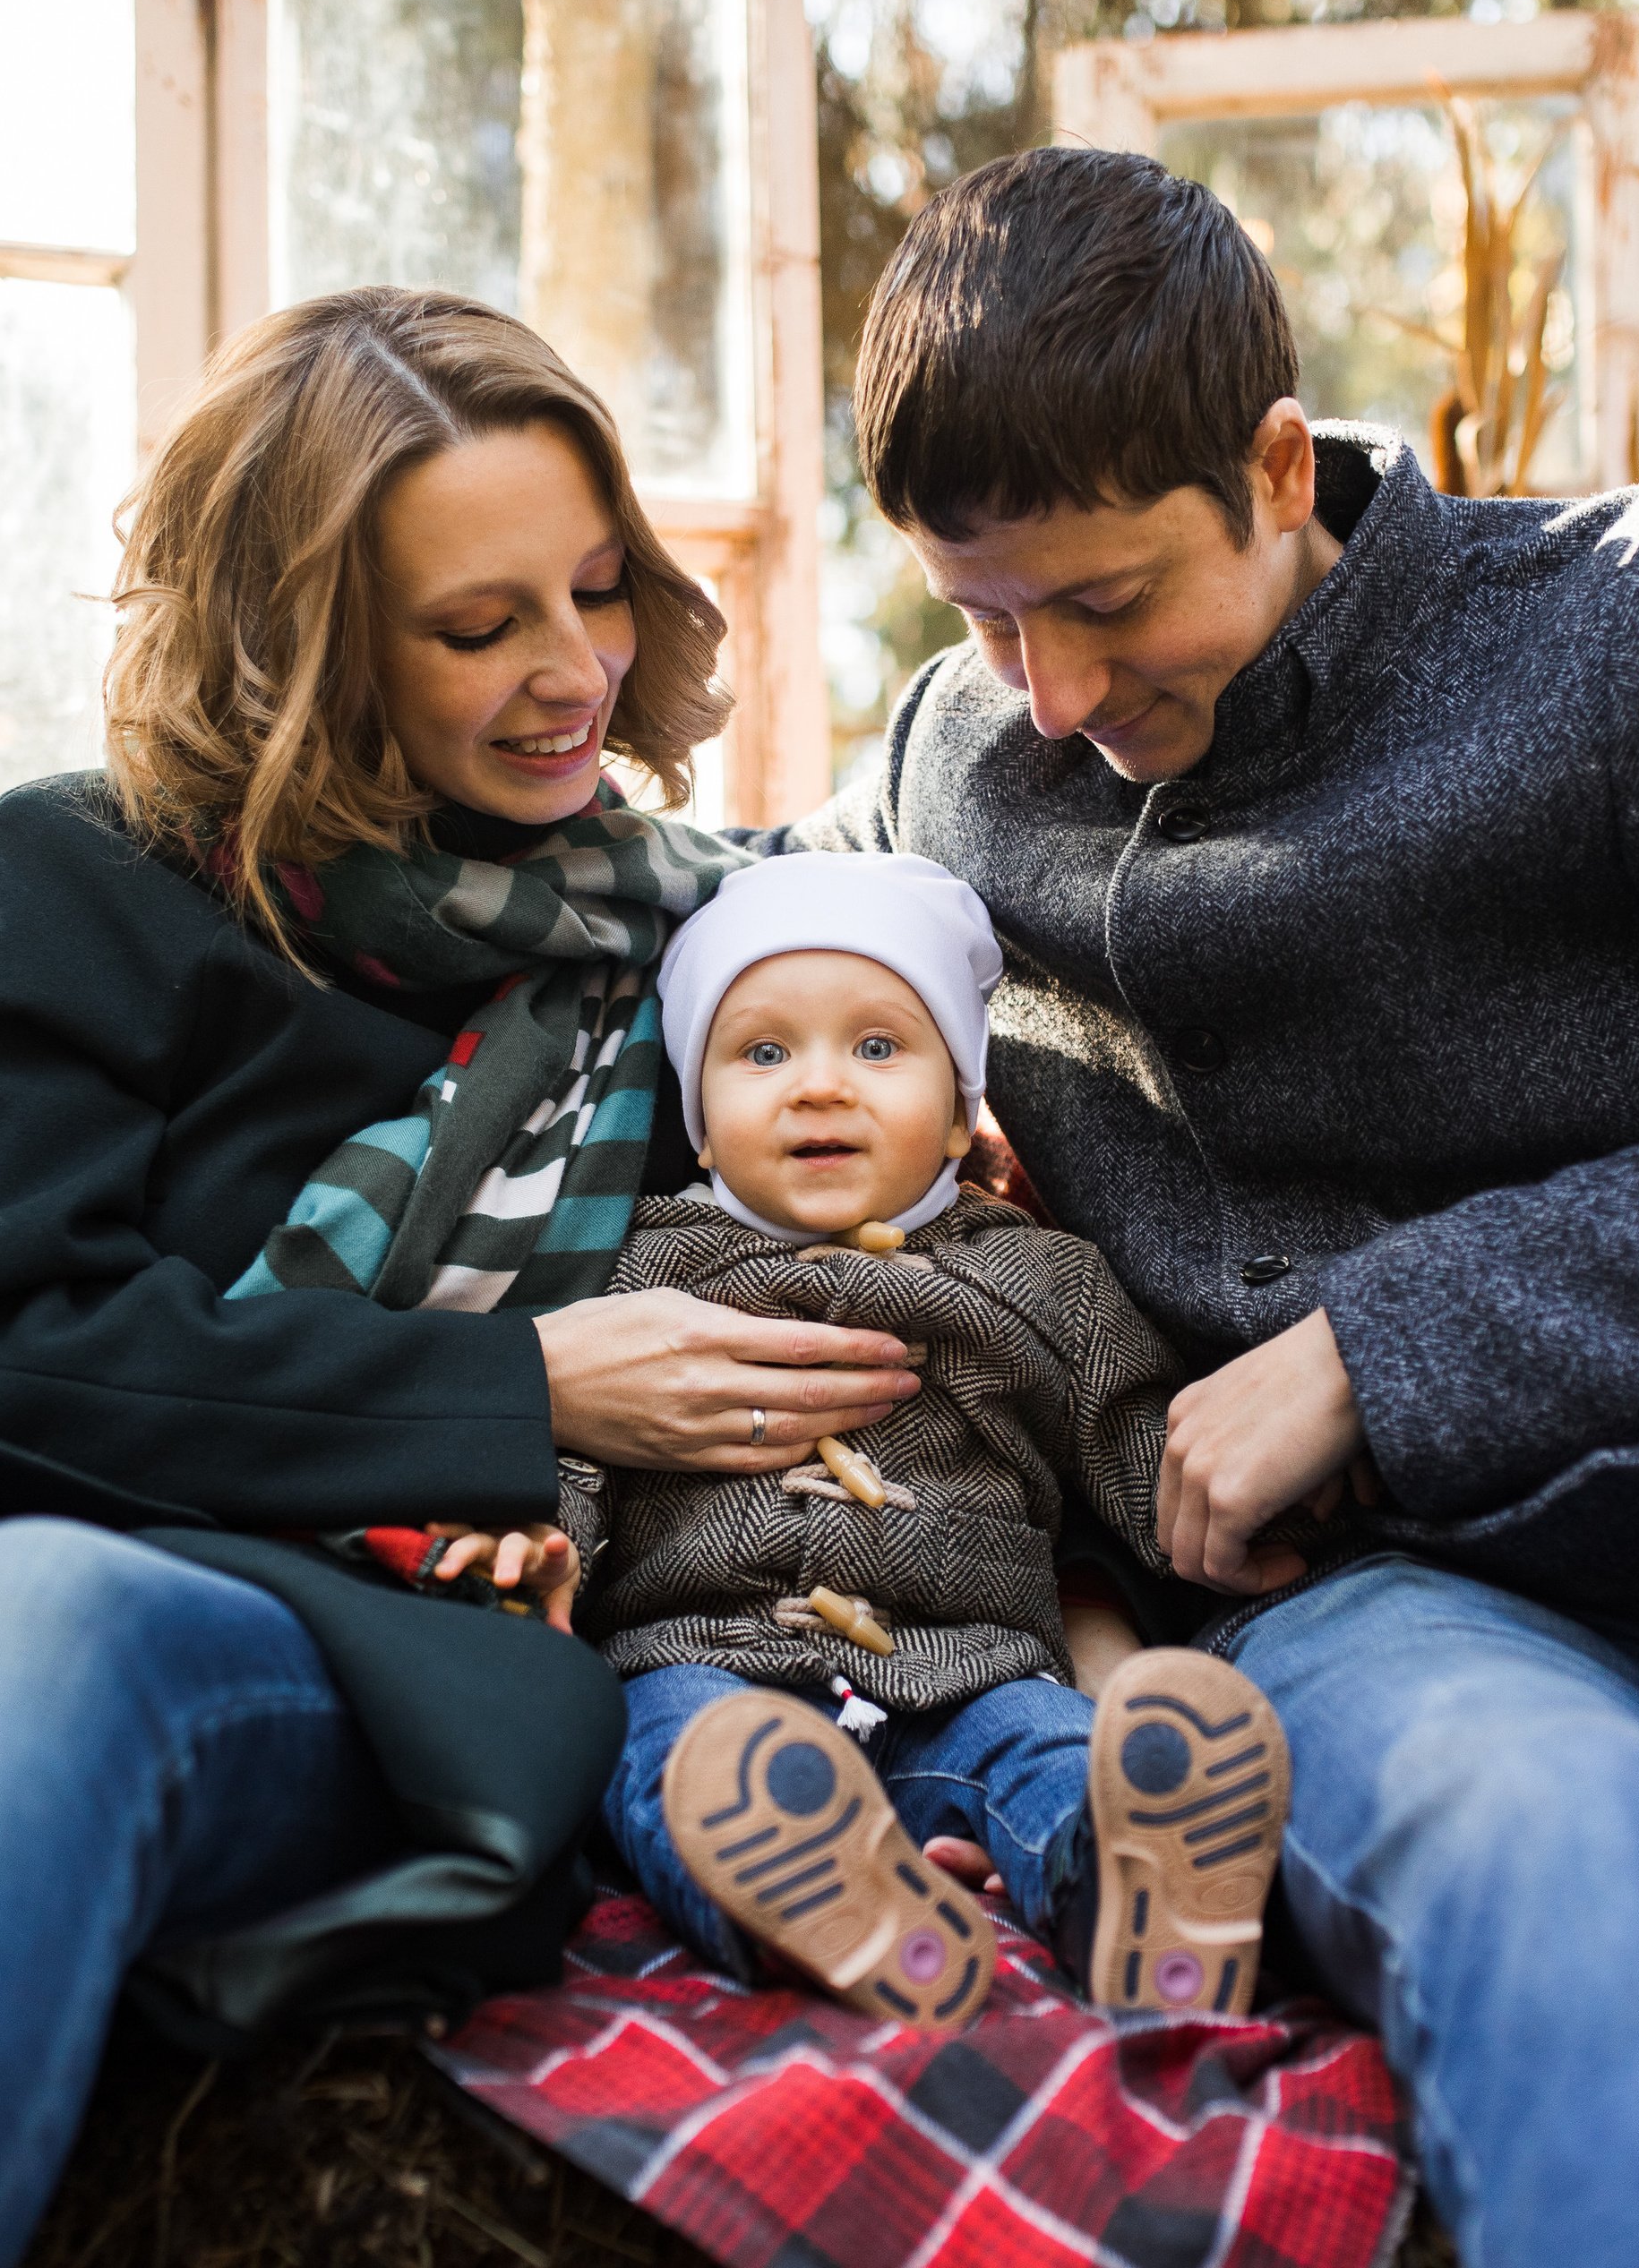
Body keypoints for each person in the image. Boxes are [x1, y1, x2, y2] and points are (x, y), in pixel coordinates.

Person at [745, 146, 1639, 2264]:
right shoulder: (948, 758)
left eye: (1103, 598)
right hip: (1402, 1650)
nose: (1045, 690)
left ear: (1272, 464)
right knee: (1568, 1852)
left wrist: (1379, 1342)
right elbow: (703, 946)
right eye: (976, 610)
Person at [0, 288, 919, 2268]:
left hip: (363, 1639)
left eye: (592, 587)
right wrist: (522, 1386)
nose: (574, 674)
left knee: (48, 1606)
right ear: (297, 649)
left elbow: (908, 1069)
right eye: (480, 627)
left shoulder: (702, 958)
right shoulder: (71, 879)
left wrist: (949, 1124)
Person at [512, 849, 1283, 2025]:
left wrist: (1250, 1528)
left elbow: (1134, 1442)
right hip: (699, 1658)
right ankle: (812, 1892)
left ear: (963, 1107)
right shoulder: (644, 1277)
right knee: (665, 1758)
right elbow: (572, 1453)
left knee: (1043, 1755)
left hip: (965, 1666)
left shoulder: (1041, 1278)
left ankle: (1136, 1894)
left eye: (878, 1047)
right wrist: (539, 1565)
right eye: (762, 1053)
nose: (820, 1086)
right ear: (701, 1126)